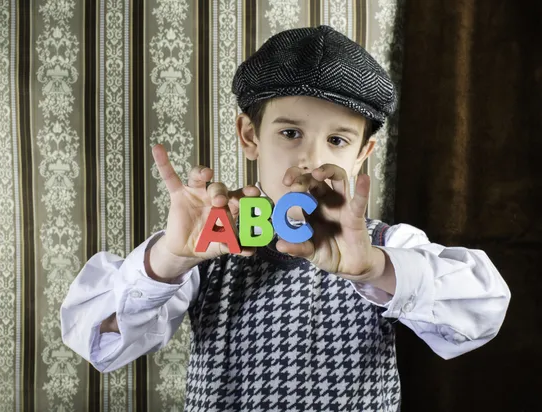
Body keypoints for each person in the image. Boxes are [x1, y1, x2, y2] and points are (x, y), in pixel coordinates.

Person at [61, 25, 510, 411]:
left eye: (337, 140)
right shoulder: (211, 245)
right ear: (250, 135)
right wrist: (167, 261)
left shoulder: (387, 246)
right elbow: (98, 341)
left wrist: (377, 268)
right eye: (291, 133)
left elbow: (484, 309)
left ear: (362, 155)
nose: (310, 159)